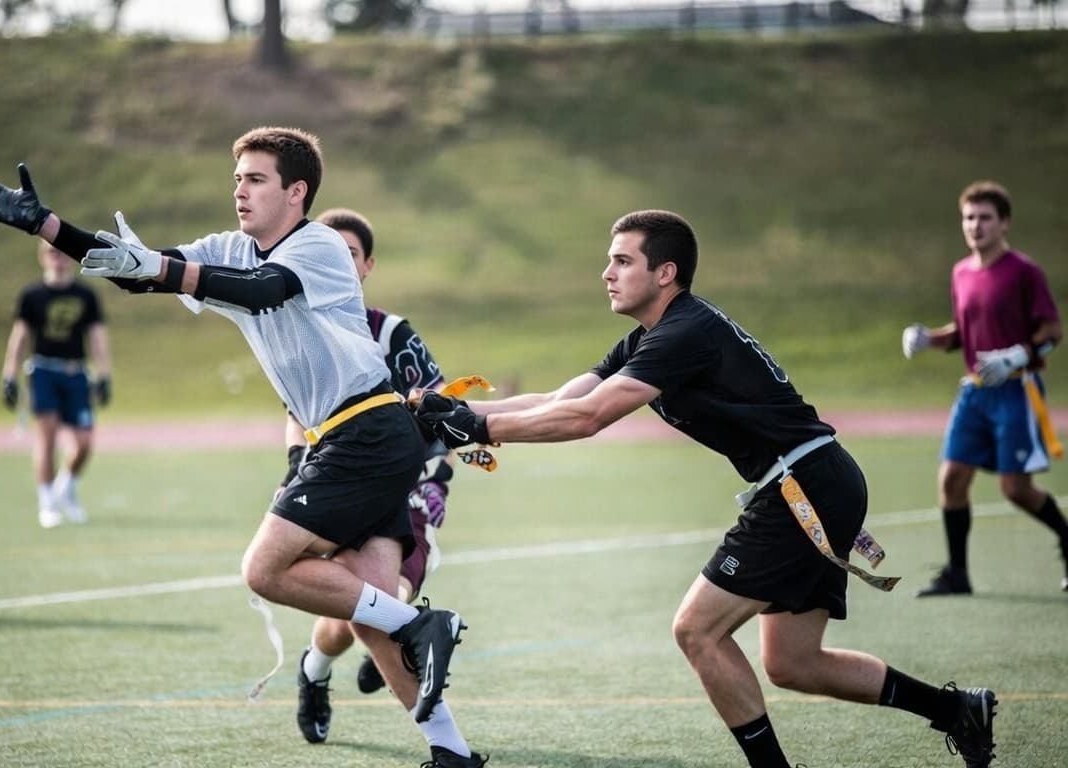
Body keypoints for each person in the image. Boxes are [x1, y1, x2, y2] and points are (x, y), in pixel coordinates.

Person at [0, 127, 485, 768]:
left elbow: (260, 290)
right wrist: (48, 226)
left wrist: (163, 269)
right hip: (353, 438)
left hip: (366, 431)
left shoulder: (318, 243)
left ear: (296, 192)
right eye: (237, 177)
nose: (240, 188)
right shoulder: (227, 246)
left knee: (264, 571)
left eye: (256, 178)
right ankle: (451, 749)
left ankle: (420, 625)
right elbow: (136, 271)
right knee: (370, 618)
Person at [413, 210, 997, 768]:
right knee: (793, 663)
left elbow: (588, 420)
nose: (606, 273)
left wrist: (480, 429)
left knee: (697, 630)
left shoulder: (683, 332)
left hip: (805, 486)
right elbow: (558, 401)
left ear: (664, 273)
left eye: (621, 261)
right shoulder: (652, 334)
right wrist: (460, 412)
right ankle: (956, 711)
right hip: (816, 481)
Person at [280, 208, 457, 746]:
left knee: (382, 604)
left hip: (402, 493)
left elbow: (442, 407)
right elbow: (295, 409)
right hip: (337, 486)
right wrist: (296, 469)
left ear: (367, 265)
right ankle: (318, 670)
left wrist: (437, 481)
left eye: (349, 253)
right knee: (364, 615)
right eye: (326, 250)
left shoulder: (391, 333)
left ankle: (327, 665)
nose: (337, 261)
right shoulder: (302, 327)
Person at [902, 180, 1064, 597]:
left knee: (1016, 489)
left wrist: (1017, 355)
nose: (976, 225)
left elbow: (1052, 331)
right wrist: (927, 338)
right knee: (952, 479)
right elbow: (962, 333)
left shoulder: (1023, 272)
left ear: (1004, 223)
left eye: (985, 217)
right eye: (969, 217)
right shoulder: (961, 273)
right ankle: (958, 574)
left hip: (1015, 390)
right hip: (974, 392)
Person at [1, 240, 113, 529]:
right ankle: (47, 501)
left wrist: (104, 374)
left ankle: (67, 487)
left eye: (63, 253)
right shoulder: (33, 295)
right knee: (47, 436)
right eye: (52, 252)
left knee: (84, 442)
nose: (58, 258)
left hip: (76, 373)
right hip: (44, 371)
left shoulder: (86, 295)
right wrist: (9, 375)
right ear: (42, 257)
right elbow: (20, 338)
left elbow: (97, 338)